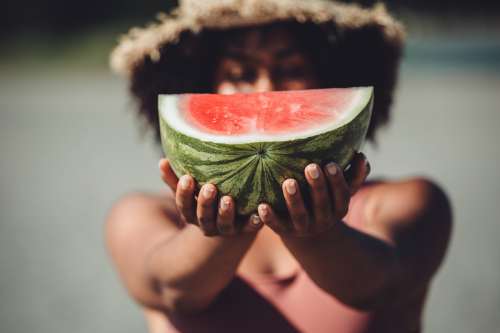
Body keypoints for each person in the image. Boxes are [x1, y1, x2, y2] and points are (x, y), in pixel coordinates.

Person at [106, 1, 452, 332]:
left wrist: (316, 235)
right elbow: (174, 291)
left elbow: (375, 289)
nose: (264, 91)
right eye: (240, 72)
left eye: (292, 70)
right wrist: (228, 226)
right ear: (201, 83)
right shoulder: (139, 216)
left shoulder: (410, 203)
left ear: (330, 78)